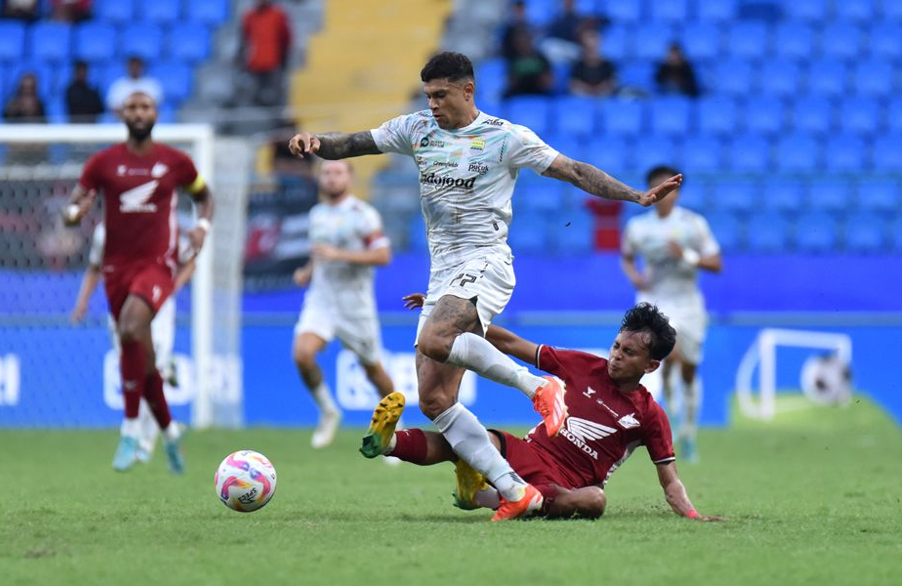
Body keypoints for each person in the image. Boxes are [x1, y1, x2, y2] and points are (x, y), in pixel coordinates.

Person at [287, 52, 681, 520]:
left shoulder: (504, 137)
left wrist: (634, 195)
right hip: (443, 273)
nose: (432, 104)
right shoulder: (416, 129)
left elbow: (573, 170)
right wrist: (317, 143)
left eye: (441, 95)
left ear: (467, 90)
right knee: (435, 401)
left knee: (437, 339)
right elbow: (354, 143)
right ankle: (517, 490)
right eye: (428, 95)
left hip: (487, 260)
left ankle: (538, 389)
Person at [365, 300, 723, 522]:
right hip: (529, 453)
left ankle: (485, 496)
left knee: (596, 501)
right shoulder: (584, 365)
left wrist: (692, 514)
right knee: (469, 439)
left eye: (629, 353)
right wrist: (452, 320)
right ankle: (389, 442)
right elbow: (513, 344)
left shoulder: (649, 414)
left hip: (568, 485)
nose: (615, 356)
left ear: (651, 366)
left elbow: (669, 478)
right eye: (616, 346)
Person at [62, 92, 215, 474]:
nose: (139, 113)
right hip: (116, 270)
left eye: (145, 107)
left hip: (156, 266)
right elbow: (74, 204)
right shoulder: (103, 163)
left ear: (156, 113)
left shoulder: (176, 162)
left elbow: (205, 197)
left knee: (132, 327)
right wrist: (71, 214)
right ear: (122, 115)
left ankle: (130, 430)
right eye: (132, 107)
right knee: (142, 361)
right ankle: (171, 433)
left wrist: (201, 225)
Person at [71, 222, 197, 463]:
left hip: (156, 304)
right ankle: (163, 431)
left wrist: (171, 286)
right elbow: (94, 268)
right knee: (135, 370)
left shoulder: (160, 224)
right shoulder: (103, 232)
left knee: (152, 367)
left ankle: (145, 443)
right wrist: (82, 301)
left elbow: (190, 260)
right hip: (121, 307)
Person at [292, 160, 395, 449]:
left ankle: (392, 427)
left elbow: (383, 255)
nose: (332, 178)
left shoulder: (363, 215)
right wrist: (307, 272)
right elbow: (319, 253)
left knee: (373, 370)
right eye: (326, 172)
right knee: (302, 354)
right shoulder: (317, 214)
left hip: (355, 305)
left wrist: (340, 255)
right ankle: (328, 410)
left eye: (338, 172)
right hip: (321, 300)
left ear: (349, 177)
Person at [621, 166, 722, 462]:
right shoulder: (638, 227)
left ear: (677, 192)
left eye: (671, 189)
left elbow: (716, 264)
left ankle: (689, 431)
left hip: (688, 303)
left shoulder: (694, 224)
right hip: (655, 302)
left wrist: (687, 256)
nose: (665, 195)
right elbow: (627, 257)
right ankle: (672, 420)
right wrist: (634, 277)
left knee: (688, 369)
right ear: (651, 191)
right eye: (658, 189)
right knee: (666, 356)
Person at [238, 0, 292, 108]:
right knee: (254, 97)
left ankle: (277, 120)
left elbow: (286, 39)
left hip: (273, 63)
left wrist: (283, 60)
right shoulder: (249, 16)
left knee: (275, 96)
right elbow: (244, 40)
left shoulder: (278, 15)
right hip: (254, 64)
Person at [502, 29, 554, 98]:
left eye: (525, 40)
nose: (523, 43)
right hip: (517, 95)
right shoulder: (512, 59)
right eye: (520, 41)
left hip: (539, 94)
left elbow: (548, 82)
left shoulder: (541, 58)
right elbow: (511, 82)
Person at [570, 28, 617, 97]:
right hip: (583, 97)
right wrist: (587, 90)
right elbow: (573, 85)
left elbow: (611, 84)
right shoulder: (577, 65)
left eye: (594, 39)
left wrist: (599, 89)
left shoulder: (607, 65)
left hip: (603, 97)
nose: (592, 45)